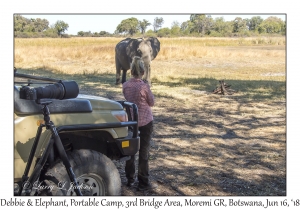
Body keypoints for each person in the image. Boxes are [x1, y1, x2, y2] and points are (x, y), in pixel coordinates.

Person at [122, 56, 157, 191]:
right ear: (142, 72)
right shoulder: (144, 87)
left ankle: (130, 179)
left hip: (132, 122)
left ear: (131, 71)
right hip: (146, 122)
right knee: (144, 152)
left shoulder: (125, 85)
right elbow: (152, 102)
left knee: (131, 151)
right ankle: (143, 182)